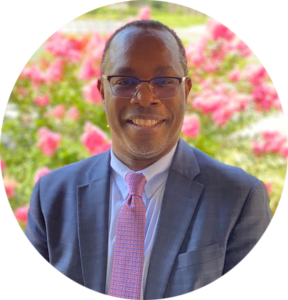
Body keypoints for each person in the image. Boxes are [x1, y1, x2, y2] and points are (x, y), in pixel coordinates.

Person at [25, 20, 272, 299]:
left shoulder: (238, 199)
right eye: (125, 82)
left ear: (186, 91)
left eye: (165, 82)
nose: (144, 98)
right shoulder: (52, 196)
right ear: (102, 92)